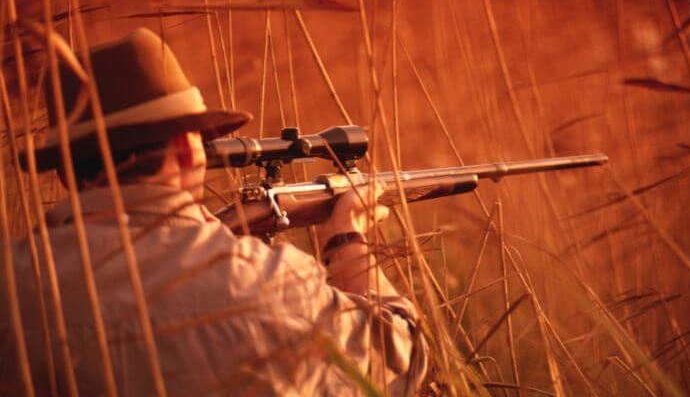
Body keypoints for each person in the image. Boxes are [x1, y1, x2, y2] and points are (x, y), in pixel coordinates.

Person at [0, 28, 427, 395]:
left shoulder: (13, 279)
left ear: (63, 174)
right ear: (189, 151)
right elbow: (399, 360)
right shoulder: (271, 282)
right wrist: (347, 235)